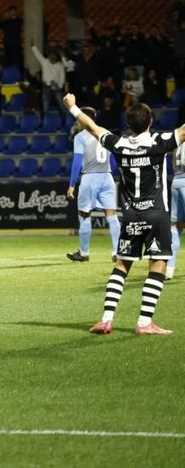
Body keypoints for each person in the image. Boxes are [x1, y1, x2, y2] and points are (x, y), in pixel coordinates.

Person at [63, 92, 180, 335]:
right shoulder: (160, 142)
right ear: (150, 122)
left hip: (132, 216)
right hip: (157, 215)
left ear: (129, 125)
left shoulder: (119, 143)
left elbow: (93, 127)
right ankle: (144, 322)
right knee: (157, 266)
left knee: (121, 266)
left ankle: (106, 319)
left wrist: (73, 108)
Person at [65, 106, 121, 262]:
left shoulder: (80, 137)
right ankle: (117, 252)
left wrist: (72, 184)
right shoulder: (105, 133)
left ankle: (84, 253)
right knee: (112, 216)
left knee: (84, 215)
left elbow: (77, 161)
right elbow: (113, 160)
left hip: (90, 178)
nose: (77, 122)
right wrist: (109, 171)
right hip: (107, 177)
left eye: (78, 119)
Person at [166, 143, 185, 280]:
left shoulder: (178, 142)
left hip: (176, 182)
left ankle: (169, 268)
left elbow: (173, 163)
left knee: (175, 226)